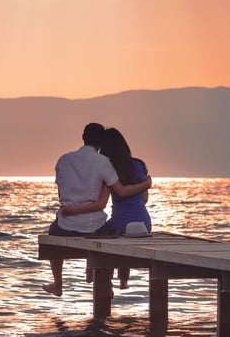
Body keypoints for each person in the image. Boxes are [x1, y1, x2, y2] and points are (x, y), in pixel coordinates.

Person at [43, 123, 151, 297]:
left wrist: (72, 210)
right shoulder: (105, 163)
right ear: (100, 143)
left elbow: (61, 195)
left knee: (52, 233)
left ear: (83, 137)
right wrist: (146, 184)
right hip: (95, 228)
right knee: (109, 234)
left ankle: (58, 283)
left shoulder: (63, 159)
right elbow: (117, 195)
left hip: (66, 226)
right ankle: (106, 282)